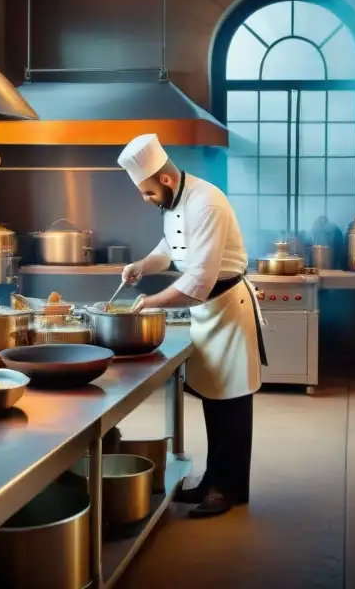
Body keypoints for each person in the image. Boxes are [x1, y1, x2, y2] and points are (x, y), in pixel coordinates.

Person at [117, 133, 266, 518]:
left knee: (232, 405)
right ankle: (213, 480)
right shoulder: (174, 202)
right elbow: (170, 248)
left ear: (165, 179)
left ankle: (225, 490)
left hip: (228, 310)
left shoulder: (207, 202)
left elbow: (198, 282)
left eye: (148, 193)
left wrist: (150, 303)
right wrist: (142, 266)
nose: (147, 200)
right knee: (214, 403)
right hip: (207, 314)